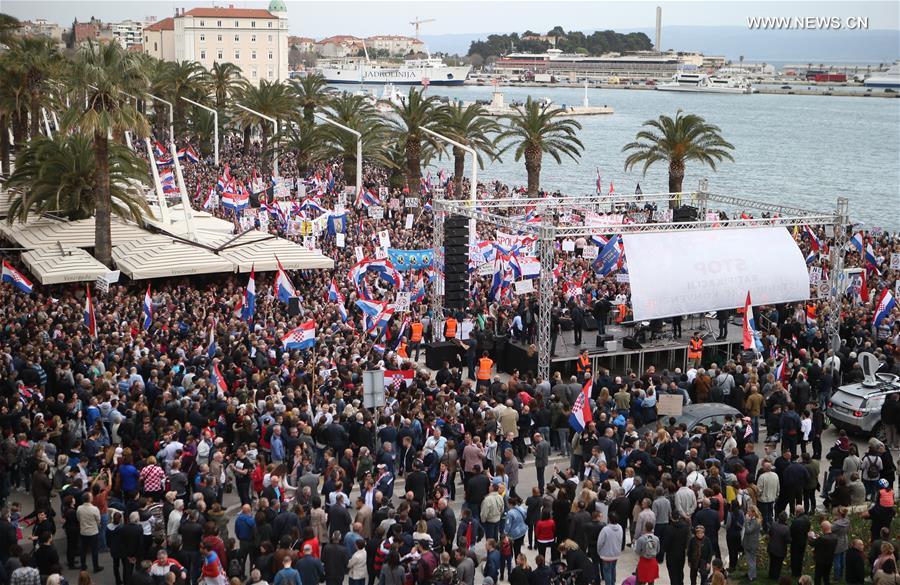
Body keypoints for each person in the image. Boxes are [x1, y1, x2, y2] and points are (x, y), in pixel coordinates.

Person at [77, 491, 103, 574]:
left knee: (83, 550)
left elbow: (78, 518)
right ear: (89, 499)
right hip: (93, 532)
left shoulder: (79, 508)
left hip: (83, 532)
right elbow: (98, 520)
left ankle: (83, 566)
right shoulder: (94, 509)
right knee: (94, 550)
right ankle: (96, 567)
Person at [597, 511, 623, 585]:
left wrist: (599, 552)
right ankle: (613, 583)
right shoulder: (620, 527)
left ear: (609, 519)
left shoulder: (605, 529)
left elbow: (599, 543)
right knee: (613, 569)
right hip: (616, 553)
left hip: (606, 555)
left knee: (607, 572)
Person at [810, 520, 839, 585]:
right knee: (826, 576)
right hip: (830, 560)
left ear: (824, 528)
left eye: (821, 527)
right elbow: (825, 541)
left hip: (821, 561)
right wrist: (819, 538)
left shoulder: (822, 539)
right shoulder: (835, 537)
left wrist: (810, 537)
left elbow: (812, 544)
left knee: (818, 577)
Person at [767, 512, 791, 581]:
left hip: (771, 548)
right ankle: (776, 577)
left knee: (772, 562)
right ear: (785, 519)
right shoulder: (786, 528)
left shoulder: (773, 524)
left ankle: (771, 575)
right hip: (780, 549)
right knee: (778, 564)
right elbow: (788, 540)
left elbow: (770, 533)